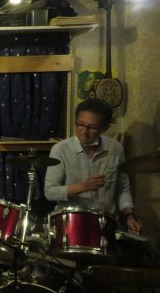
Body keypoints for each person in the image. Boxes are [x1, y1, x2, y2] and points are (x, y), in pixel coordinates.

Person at [44, 98, 141, 235]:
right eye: (80, 125)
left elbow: (123, 188)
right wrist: (84, 186)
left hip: (106, 223)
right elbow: (50, 192)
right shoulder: (60, 150)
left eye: (92, 127)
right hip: (70, 224)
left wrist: (129, 216)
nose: (84, 132)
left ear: (105, 128)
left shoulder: (115, 148)